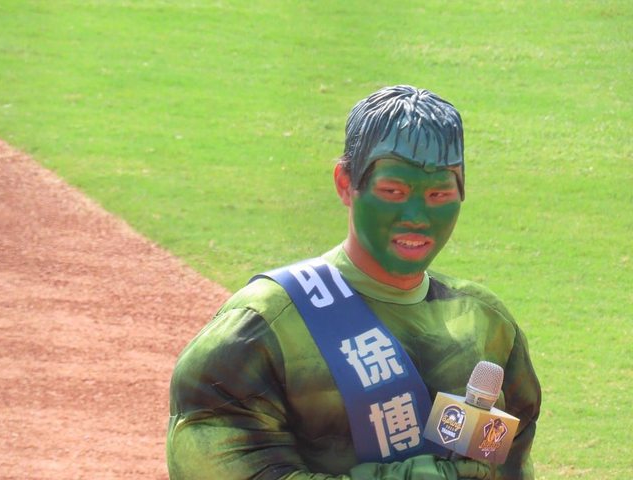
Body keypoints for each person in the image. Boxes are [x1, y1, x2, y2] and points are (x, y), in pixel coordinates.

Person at [166, 85, 541, 480]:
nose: (417, 216)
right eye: (393, 191)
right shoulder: (262, 327)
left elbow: (511, 467)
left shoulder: (485, 325)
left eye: (438, 194)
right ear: (345, 183)